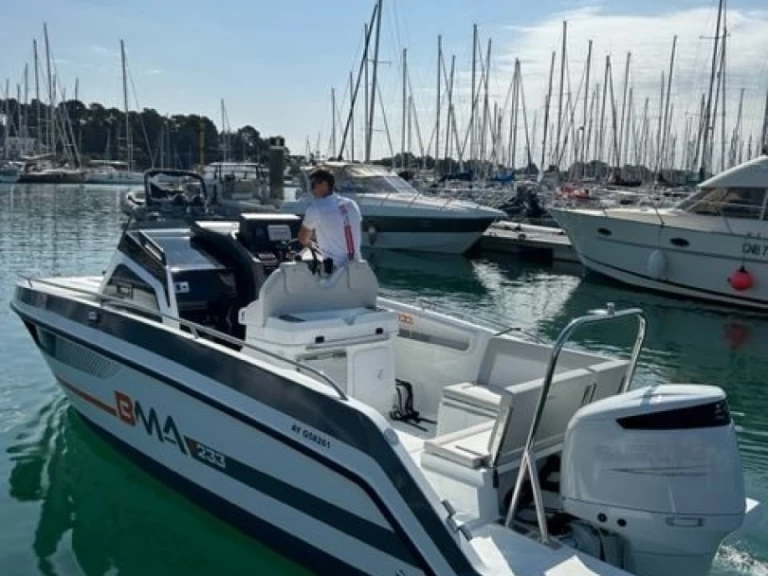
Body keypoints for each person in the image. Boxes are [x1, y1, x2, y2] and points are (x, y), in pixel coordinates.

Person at [298, 167, 362, 268]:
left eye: (313, 185)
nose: (311, 189)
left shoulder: (315, 208)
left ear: (324, 184)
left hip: (335, 269)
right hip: (358, 266)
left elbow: (303, 238)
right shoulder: (352, 204)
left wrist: (311, 244)